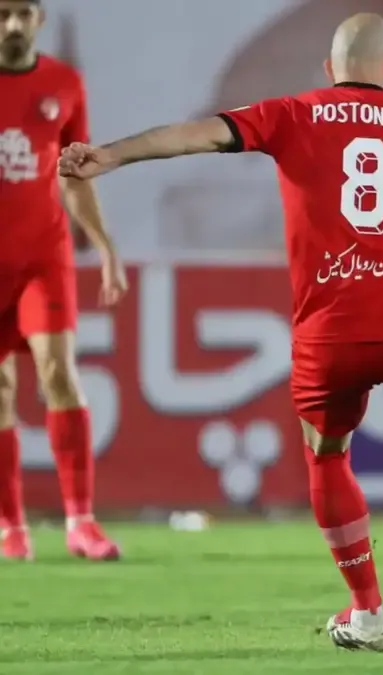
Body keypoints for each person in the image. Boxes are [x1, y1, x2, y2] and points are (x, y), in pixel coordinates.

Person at [58, 13, 383, 651]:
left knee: (327, 455)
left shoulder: (292, 113)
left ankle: (368, 614)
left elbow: (196, 135)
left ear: (330, 69)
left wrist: (111, 155)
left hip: (329, 336)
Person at [0, 0, 127, 563]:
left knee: (59, 372)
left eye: (23, 13)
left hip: (42, 258)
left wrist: (105, 247)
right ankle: (11, 526)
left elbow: (74, 177)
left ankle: (81, 521)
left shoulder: (64, 84)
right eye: (3, 13)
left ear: (40, 18)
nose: (13, 25)